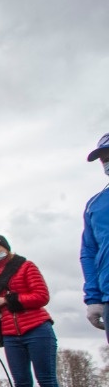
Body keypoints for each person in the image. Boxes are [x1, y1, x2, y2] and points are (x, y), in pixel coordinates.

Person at [0, 235, 65, 387]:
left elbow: (42, 296)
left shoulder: (26, 266)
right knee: (21, 384)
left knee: (47, 381)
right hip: (10, 333)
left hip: (37, 328)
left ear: (6, 248)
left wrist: (8, 300)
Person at [82, 132, 109, 341]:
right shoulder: (95, 205)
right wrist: (93, 298)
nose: (107, 162)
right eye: (104, 158)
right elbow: (89, 252)